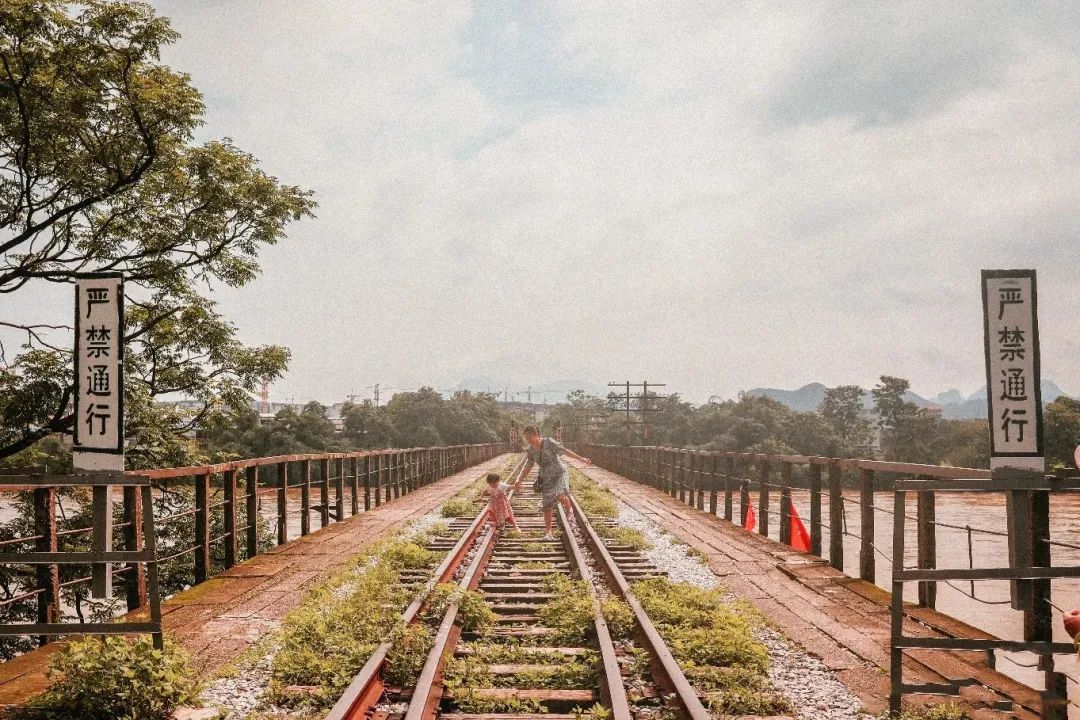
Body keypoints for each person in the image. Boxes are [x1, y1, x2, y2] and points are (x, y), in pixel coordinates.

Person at [520, 425, 592, 539]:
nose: (528, 439)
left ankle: (569, 508)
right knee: (547, 504)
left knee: (559, 495)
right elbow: (529, 465)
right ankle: (548, 532)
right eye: (526, 437)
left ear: (537, 434)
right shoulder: (531, 450)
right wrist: (520, 480)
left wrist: (580, 458)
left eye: (530, 436)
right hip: (546, 477)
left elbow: (564, 450)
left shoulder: (548, 442)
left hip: (559, 473)